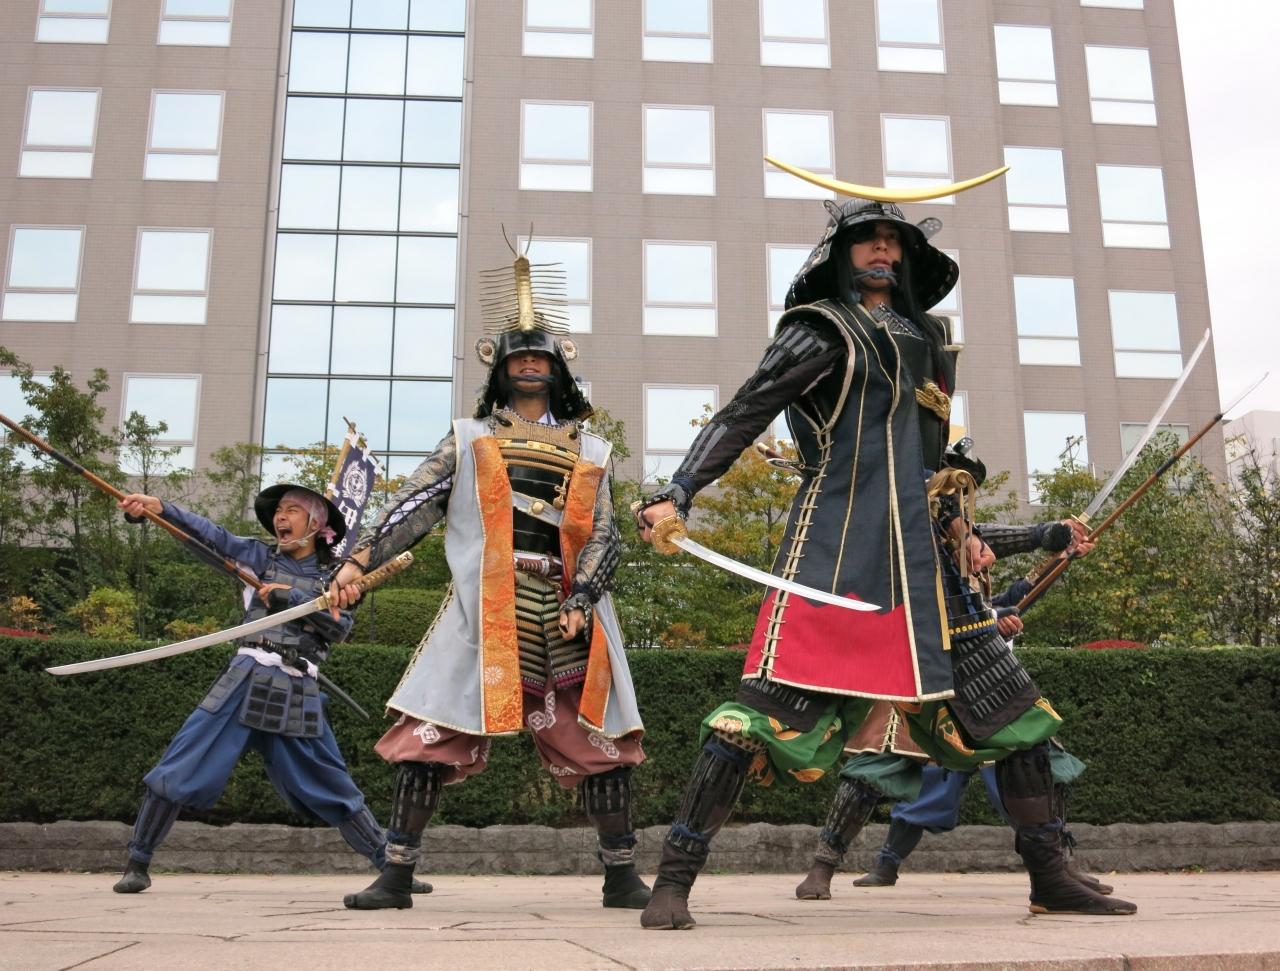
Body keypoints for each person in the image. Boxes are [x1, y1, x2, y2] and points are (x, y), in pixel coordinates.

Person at [634, 189, 1134, 928]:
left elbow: (931, 467)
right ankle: (674, 880)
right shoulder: (819, 329)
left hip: (928, 570)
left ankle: (1051, 876)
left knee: (1019, 718)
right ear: (842, 253)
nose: (881, 249)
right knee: (751, 722)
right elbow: (744, 411)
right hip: (837, 553)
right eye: (866, 238)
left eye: (892, 240)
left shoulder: (928, 342)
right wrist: (677, 489)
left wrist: (976, 528)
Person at [332, 241, 650, 912]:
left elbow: (604, 534)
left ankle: (622, 876)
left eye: (540, 356)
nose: (529, 363)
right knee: (426, 734)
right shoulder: (469, 437)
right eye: (517, 356)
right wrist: (358, 560)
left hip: (568, 609)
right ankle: (395, 875)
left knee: (603, 742)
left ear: (559, 369)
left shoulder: (592, 449)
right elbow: (415, 503)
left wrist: (584, 595)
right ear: (500, 370)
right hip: (485, 608)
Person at [111, 484, 428, 896]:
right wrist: (160, 509)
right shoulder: (259, 558)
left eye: (292, 510)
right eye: (279, 509)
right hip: (244, 678)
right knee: (180, 765)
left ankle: (391, 869)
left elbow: (339, 628)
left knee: (333, 784)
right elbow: (209, 537)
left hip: (297, 687)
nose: (281, 516)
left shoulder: (338, 577)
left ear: (315, 524)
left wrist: (290, 597)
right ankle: (137, 862)